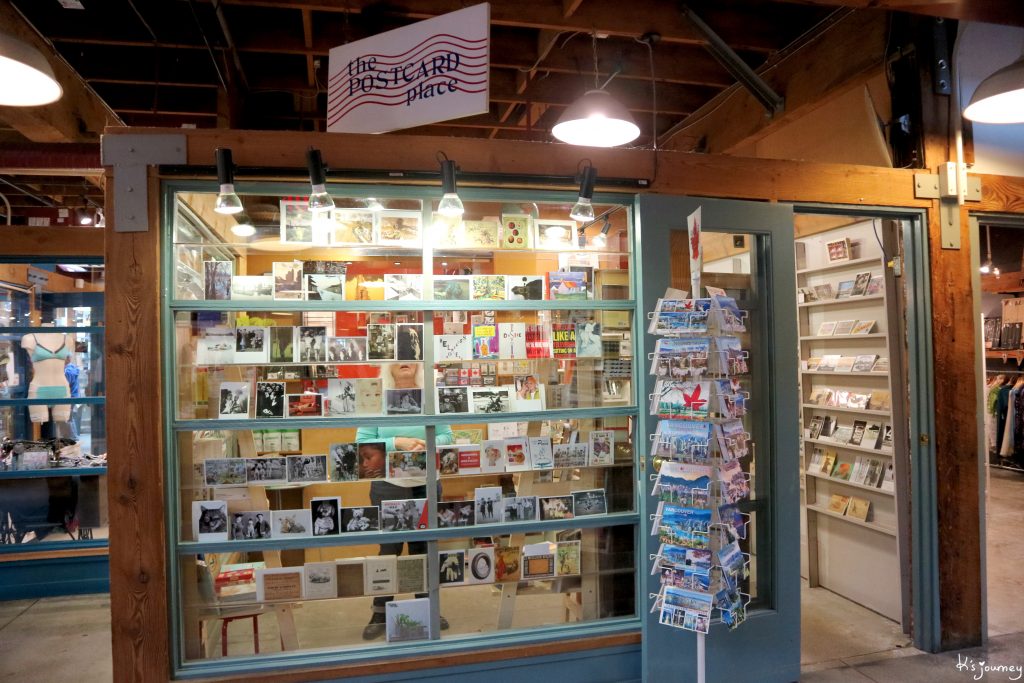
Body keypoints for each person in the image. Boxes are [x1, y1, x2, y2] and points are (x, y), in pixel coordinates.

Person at [356, 362, 454, 640]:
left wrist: (427, 443)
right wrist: (397, 442)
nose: (405, 363)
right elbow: (362, 444)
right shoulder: (375, 399)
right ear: (387, 366)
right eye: (398, 358)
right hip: (388, 485)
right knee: (389, 549)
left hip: (426, 484)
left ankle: (428, 607)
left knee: (424, 548)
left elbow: (448, 435)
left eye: (411, 357)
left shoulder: (429, 398)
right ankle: (380, 611)